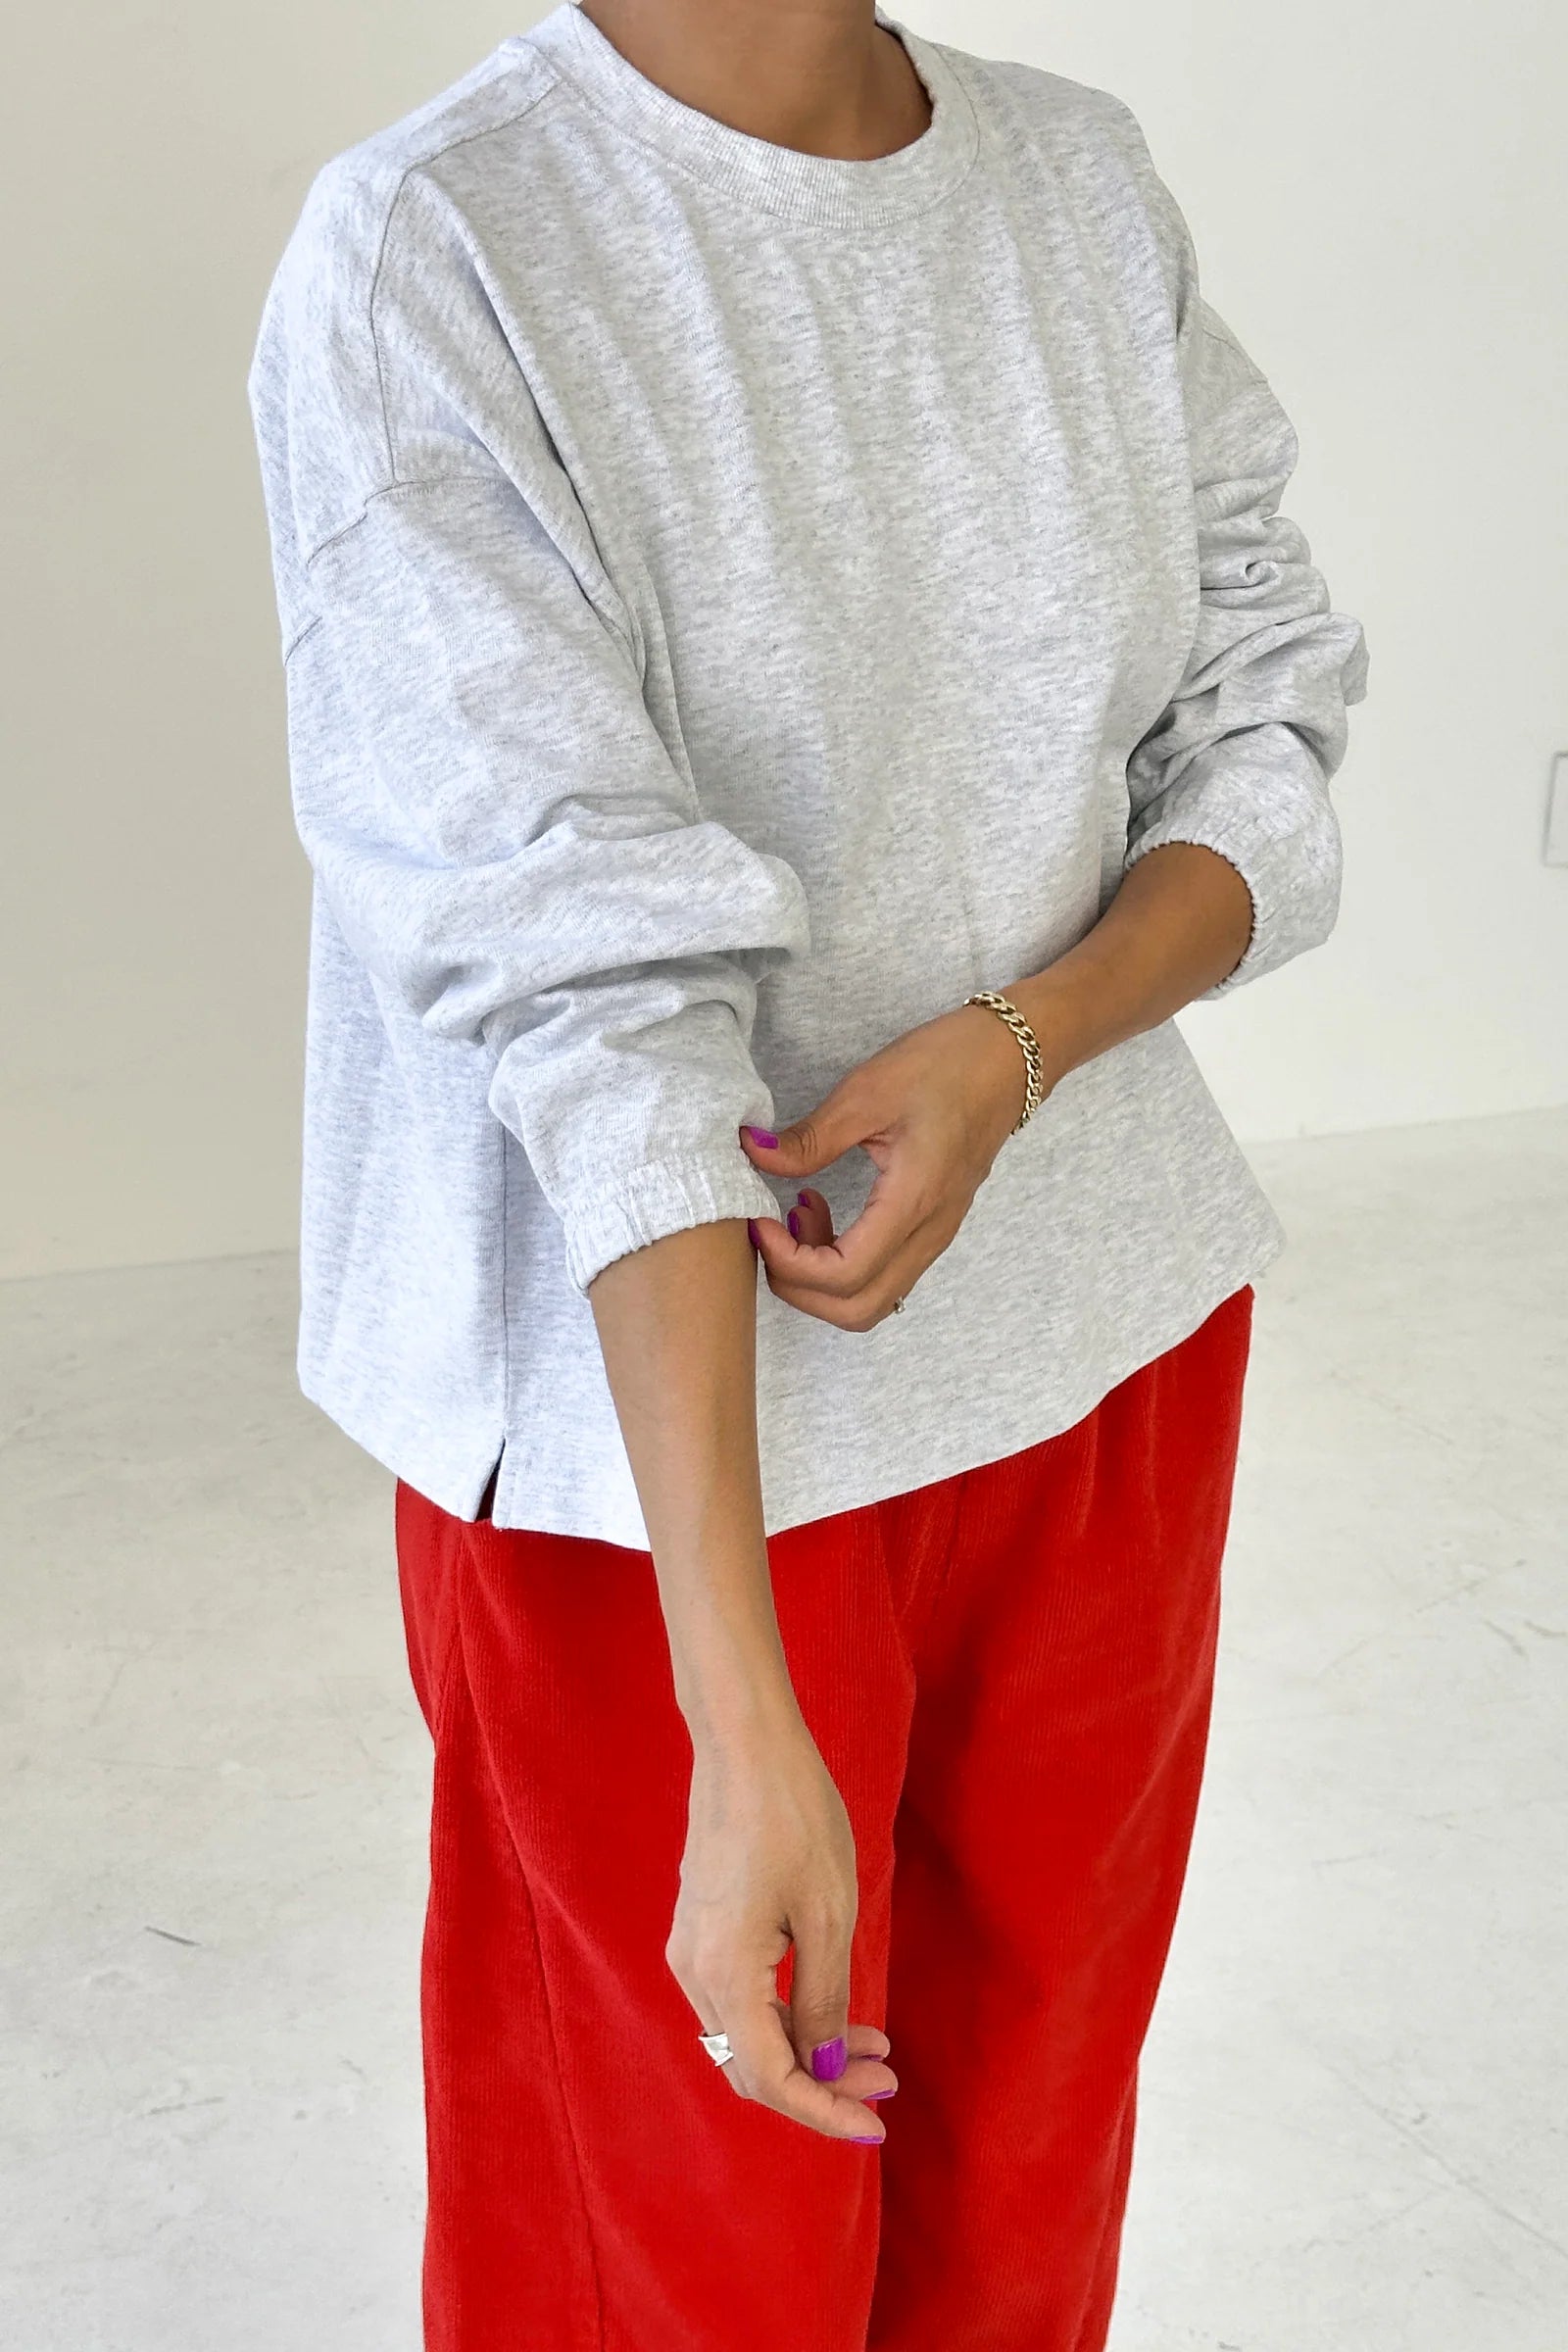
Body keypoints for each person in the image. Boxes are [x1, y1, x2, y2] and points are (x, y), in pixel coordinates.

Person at [246, 2, 1367, 2344]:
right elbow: (587, 985)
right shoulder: (441, 245)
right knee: (682, 2253)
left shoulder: (1070, 176)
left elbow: (1259, 702)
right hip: (661, 1478)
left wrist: (1016, 1050)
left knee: (1018, 2182)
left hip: (1099, 1360)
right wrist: (736, 1713)